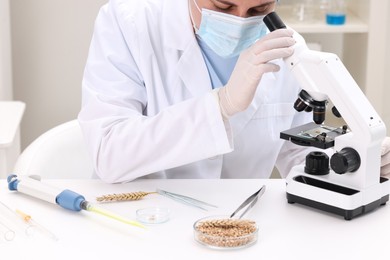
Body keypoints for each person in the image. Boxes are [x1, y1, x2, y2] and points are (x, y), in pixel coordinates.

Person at [78, 0, 390, 183]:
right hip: (143, 219)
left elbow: (298, 147)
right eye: (223, 5)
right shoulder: (127, 22)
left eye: (259, 8)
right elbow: (109, 153)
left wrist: (353, 163)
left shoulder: (286, 46)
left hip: (241, 226)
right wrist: (221, 105)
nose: (239, 21)